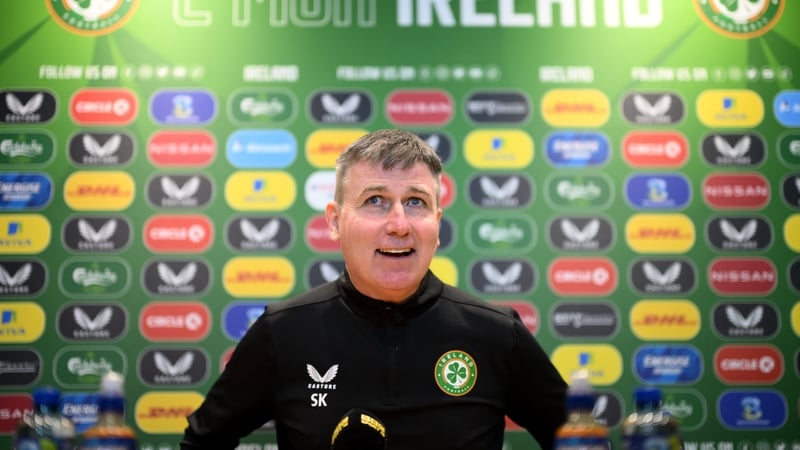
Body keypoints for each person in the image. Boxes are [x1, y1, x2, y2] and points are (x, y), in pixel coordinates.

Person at [180, 129, 568, 450]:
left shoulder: (496, 333)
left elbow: (582, 440)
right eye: (376, 201)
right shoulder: (283, 331)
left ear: (436, 222)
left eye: (415, 202)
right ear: (335, 222)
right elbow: (201, 443)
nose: (399, 224)